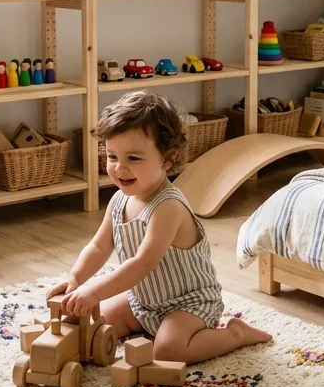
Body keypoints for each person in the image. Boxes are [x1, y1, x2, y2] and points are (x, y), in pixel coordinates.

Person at [48, 91, 271, 363]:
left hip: (188, 304)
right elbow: (98, 246)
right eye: (112, 156)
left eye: (133, 158)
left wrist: (94, 290)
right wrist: (76, 278)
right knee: (86, 322)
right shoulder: (120, 200)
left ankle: (235, 334)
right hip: (143, 300)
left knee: (167, 351)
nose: (120, 168)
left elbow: (143, 263)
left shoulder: (168, 207)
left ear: (167, 159)